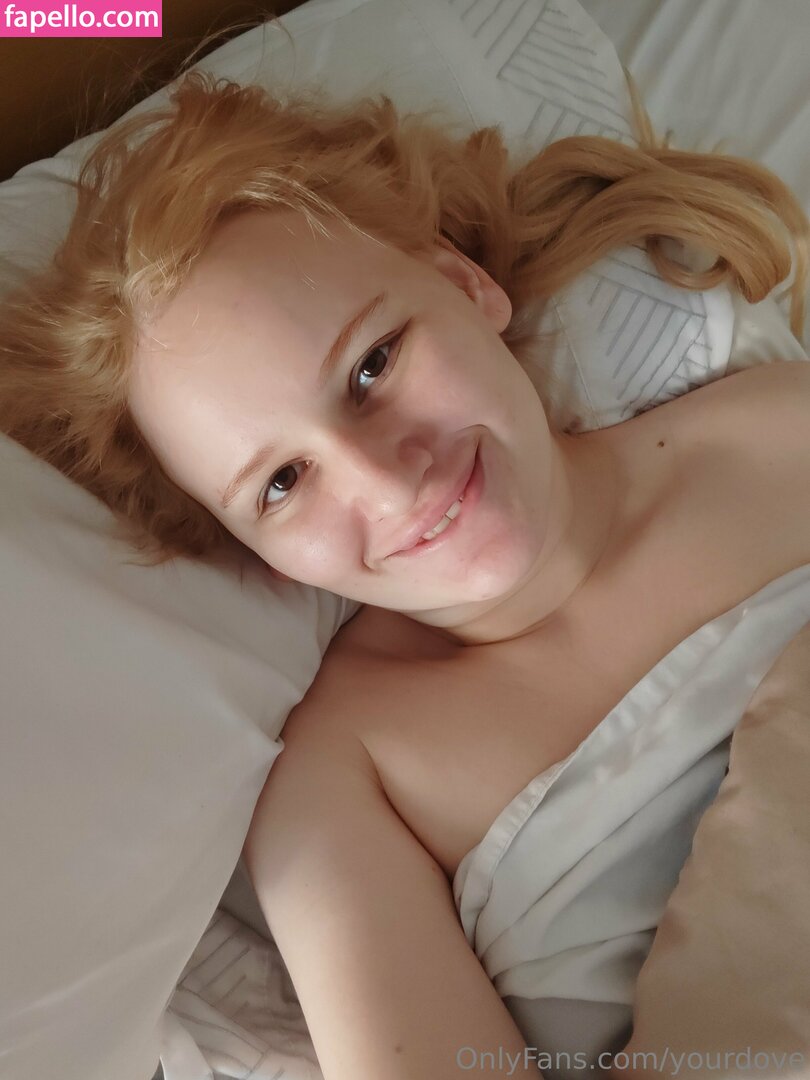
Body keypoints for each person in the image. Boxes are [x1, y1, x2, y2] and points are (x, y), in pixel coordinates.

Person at [0, 64, 808, 1080]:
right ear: (256, 555)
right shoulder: (346, 778)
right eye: (283, 482)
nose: (389, 481)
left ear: (466, 286)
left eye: (372, 365)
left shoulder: (782, 428)